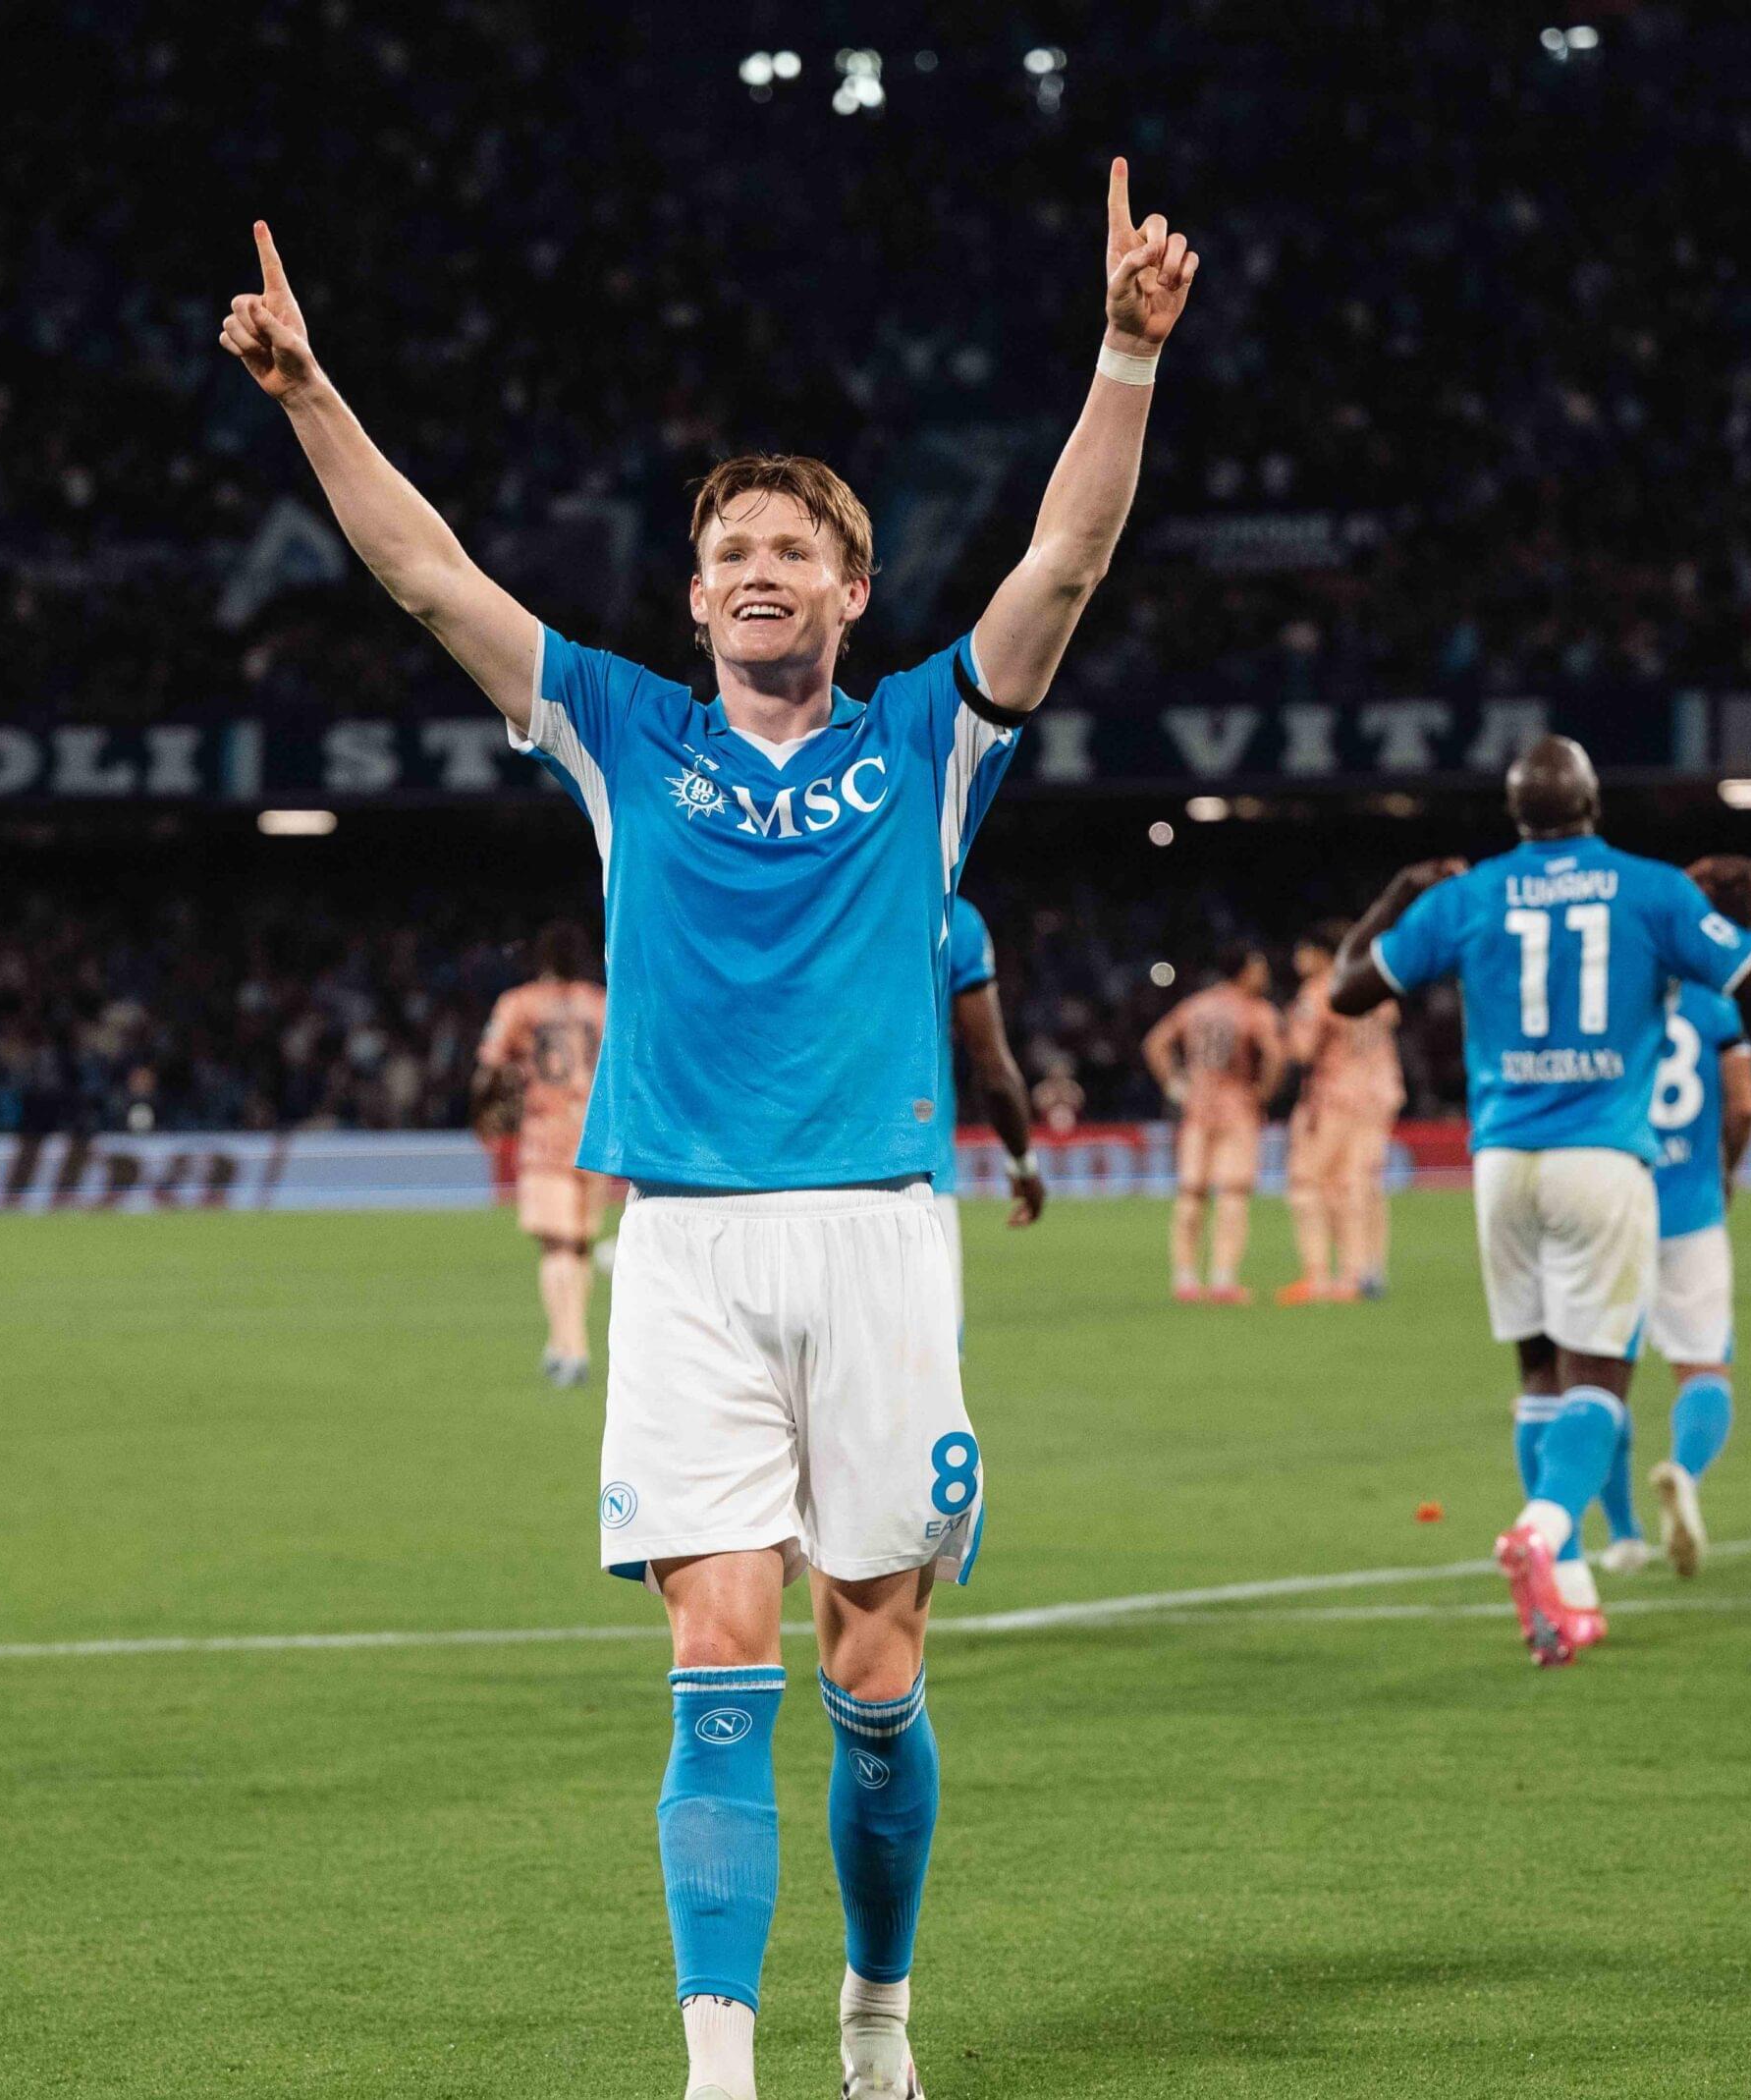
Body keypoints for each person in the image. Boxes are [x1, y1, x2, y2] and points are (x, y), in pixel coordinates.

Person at [222, 159, 1196, 2100]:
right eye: (730, 546)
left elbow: (1064, 567)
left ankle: (876, 2014)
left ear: (851, 590)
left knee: (872, 1673)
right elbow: (428, 576)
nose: (759, 567)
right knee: (719, 1660)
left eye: (794, 548)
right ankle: (717, 2068)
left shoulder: (925, 740)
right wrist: (309, 392)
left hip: (877, 1235)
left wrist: (1124, 355)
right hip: (680, 1242)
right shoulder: (618, 731)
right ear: (692, 595)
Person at [1330, 737, 1751, 1666]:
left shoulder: (1470, 895)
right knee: (1600, 1381)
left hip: (1502, 1163)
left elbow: (1347, 990)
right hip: (1602, 1160)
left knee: (1537, 1373)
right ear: (1593, 805)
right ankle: (1544, 1530)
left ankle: (1571, 1587)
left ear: (1515, 815)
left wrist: (1398, 892)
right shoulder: (1651, 890)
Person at [1597, 969, 1751, 1576]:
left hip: (1614, 1203)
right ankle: (1684, 1473)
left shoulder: (1607, 990)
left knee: (1597, 1376)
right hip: (1693, 1213)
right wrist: (1726, 1171)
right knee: (1704, 1367)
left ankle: (1624, 1536)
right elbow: (1744, 1105)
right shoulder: (1715, 1003)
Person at [473, 922, 610, 1387]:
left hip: (547, 1131)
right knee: (580, 1245)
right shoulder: (601, 1003)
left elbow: (491, 1064)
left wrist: (484, 1111)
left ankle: (571, 1348)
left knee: (556, 1246)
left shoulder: (520, 1004)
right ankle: (566, 1341)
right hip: (594, 1133)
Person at [1144, 942, 1285, 1304]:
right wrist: (1263, 1093)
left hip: (1197, 1106)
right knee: (1233, 1194)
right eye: (1258, 967)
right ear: (1244, 970)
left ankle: (1185, 1279)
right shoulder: (1255, 1010)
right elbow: (1276, 1056)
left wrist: (1175, 1085)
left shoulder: (1197, 1005)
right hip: (1237, 1107)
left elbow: (1156, 1043)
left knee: (1191, 1193)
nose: (1264, 974)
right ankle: (1223, 1279)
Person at [934, 894, 1046, 1334]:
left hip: (767, 1182)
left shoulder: (805, 901)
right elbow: (994, 1071)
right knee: (923, 1376)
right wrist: (1023, 1163)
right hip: (912, 1184)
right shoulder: (951, 917)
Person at [1279, 924, 1403, 1304]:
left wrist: (1288, 1026)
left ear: (1321, 953)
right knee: (1362, 1184)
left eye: (1304, 951)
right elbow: (1390, 1020)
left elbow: (1302, 1050)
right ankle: (1366, 1270)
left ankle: (1320, 1276)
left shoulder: (1318, 991)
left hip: (1333, 1098)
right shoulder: (1375, 985)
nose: (1298, 959)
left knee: (1309, 1184)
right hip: (1379, 1092)